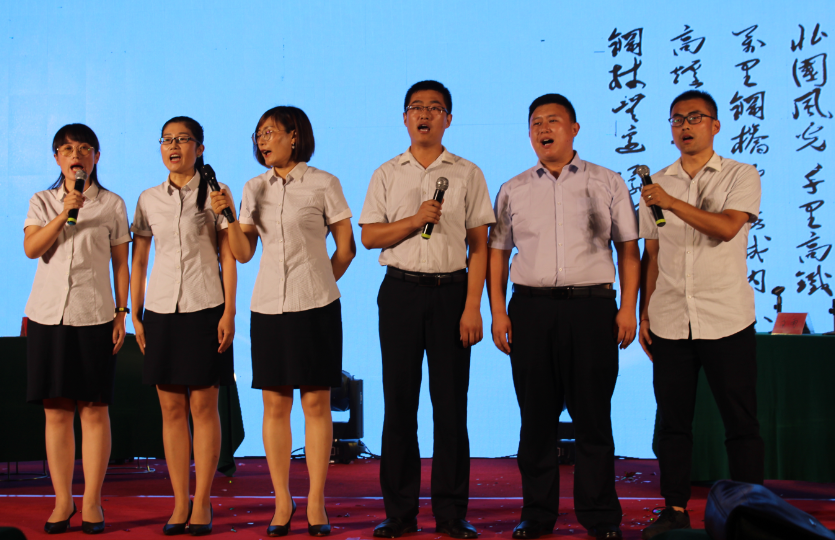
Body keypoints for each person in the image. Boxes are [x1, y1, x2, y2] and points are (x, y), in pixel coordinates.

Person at [487, 94, 639, 540]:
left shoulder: (607, 181)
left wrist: (628, 308)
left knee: (594, 417)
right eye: (536, 122)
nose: (543, 129)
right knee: (535, 420)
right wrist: (497, 312)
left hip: (592, 309)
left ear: (574, 129)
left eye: (553, 121)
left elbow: (629, 249)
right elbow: (498, 254)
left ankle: (601, 516)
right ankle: (536, 515)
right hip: (530, 310)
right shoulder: (513, 188)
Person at [359, 80, 495, 540]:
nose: (425, 114)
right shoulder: (386, 173)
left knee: (451, 406)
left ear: (448, 119)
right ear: (404, 118)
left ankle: (451, 513)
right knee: (399, 404)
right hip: (400, 292)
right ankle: (399, 512)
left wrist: (473, 307)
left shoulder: (467, 173)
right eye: (416, 107)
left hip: (452, 294)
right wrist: (415, 220)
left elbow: (480, 245)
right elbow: (370, 236)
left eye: (435, 108)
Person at [211, 106, 355, 538]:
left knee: (316, 403)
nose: (262, 140)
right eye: (258, 134)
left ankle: (316, 501)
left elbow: (346, 248)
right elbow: (242, 253)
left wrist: (320, 282)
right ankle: (282, 500)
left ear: (294, 136)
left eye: (270, 132)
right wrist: (227, 214)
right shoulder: (253, 188)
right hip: (269, 307)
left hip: (317, 306)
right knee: (275, 405)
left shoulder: (324, 183)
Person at [638, 90, 764, 539]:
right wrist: (645, 314)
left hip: (726, 316)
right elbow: (652, 253)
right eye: (677, 119)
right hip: (671, 317)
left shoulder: (740, 174)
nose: (685, 126)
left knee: (740, 423)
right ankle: (674, 509)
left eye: (694, 117)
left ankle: (752, 510)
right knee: (672, 424)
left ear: (715, 125)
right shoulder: (657, 183)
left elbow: (727, 227)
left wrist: (672, 203)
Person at [129, 116, 237, 536]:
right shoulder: (148, 198)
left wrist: (228, 312)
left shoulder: (217, 193)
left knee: (203, 408)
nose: (174, 147)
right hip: (160, 310)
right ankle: (179, 502)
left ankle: (203, 500)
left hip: (205, 305)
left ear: (200, 147)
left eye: (183, 139)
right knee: (171, 410)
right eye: (167, 140)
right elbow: (140, 259)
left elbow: (228, 255)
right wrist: (134, 312)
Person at [23, 123, 130, 535]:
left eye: (85, 148)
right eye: (68, 149)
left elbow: (121, 265)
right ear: (57, 158)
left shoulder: (112, 204)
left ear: (96, 157)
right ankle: (62, 500)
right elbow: (33, 248)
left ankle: (92, 502)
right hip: (48, 315)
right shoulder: (42, 200)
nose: (76, 155)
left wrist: (121, 313)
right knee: (56, 411)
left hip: (95, 315)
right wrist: (65, 212)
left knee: (95, 409)